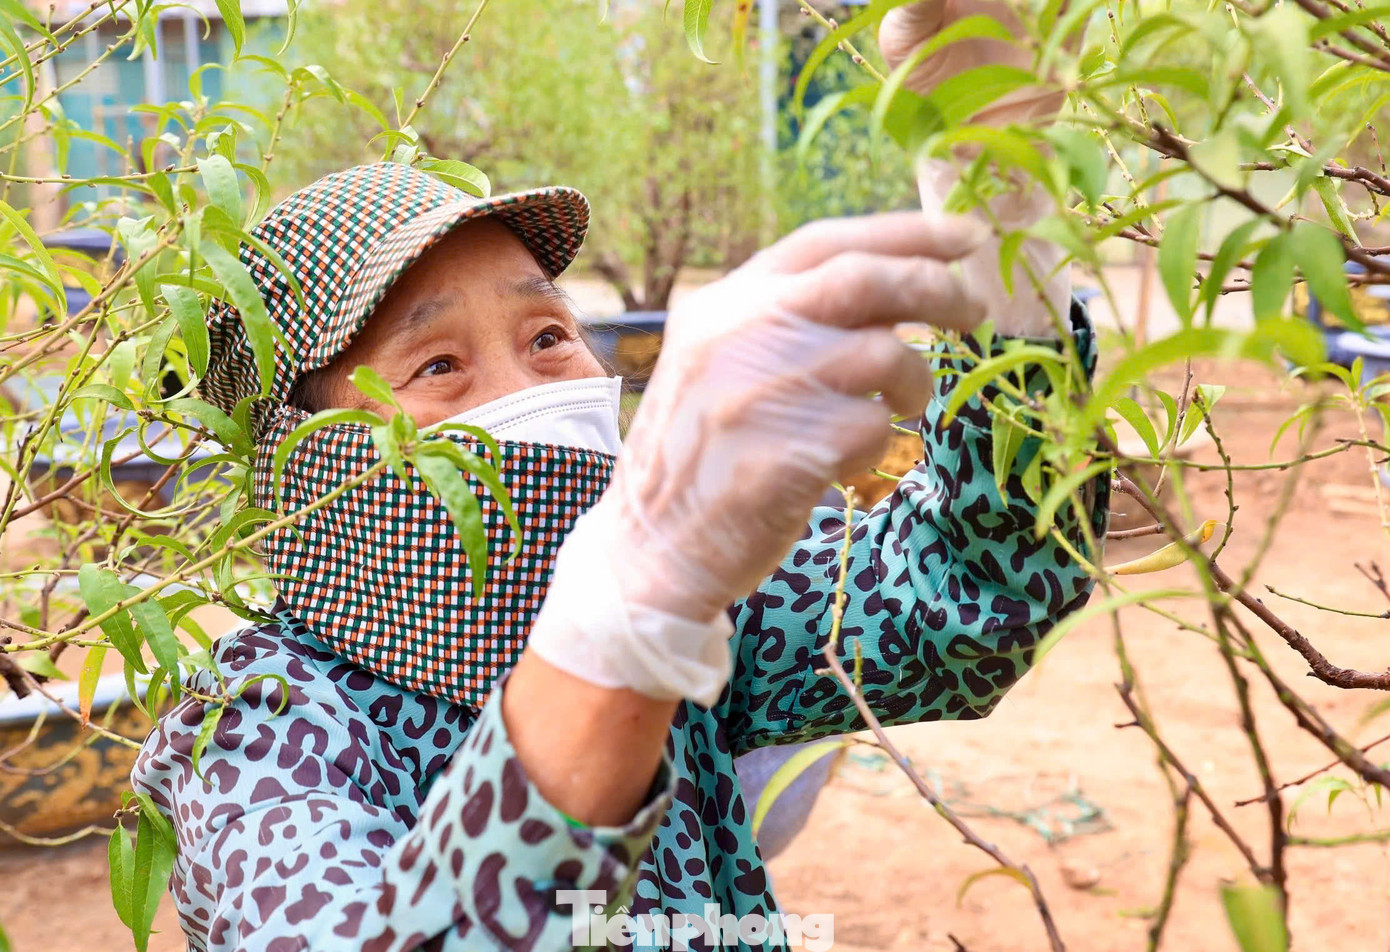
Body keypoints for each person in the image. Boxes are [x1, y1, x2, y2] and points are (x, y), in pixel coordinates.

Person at [132, 3, 1109, 949]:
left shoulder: (713, 613)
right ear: (307, 457)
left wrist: (998, 203)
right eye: (438, 366)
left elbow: (975, 596)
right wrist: (624, 615)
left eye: (549, 335)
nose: (525, 391)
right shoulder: (265, 727)